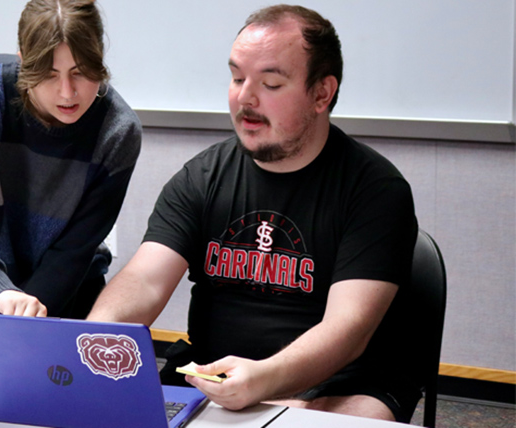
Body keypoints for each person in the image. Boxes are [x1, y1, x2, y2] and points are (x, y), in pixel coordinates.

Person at [87, 4, 419, 423]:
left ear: (322, 93)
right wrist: (97, 333)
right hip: (212, 376)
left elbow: (347, 331)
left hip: (338, 384)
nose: (245, 97)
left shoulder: (375, 190)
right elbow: (145, 280)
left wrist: (264, 380)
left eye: (271, 83)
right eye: (237, 77)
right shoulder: (202, 177)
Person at [0, 0, 141, 359]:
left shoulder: (116, 132)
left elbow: (74, 251)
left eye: (81, 71)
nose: (68, 92)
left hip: (62, 294)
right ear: (23, 60)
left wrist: (23, 324)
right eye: (49, 74)